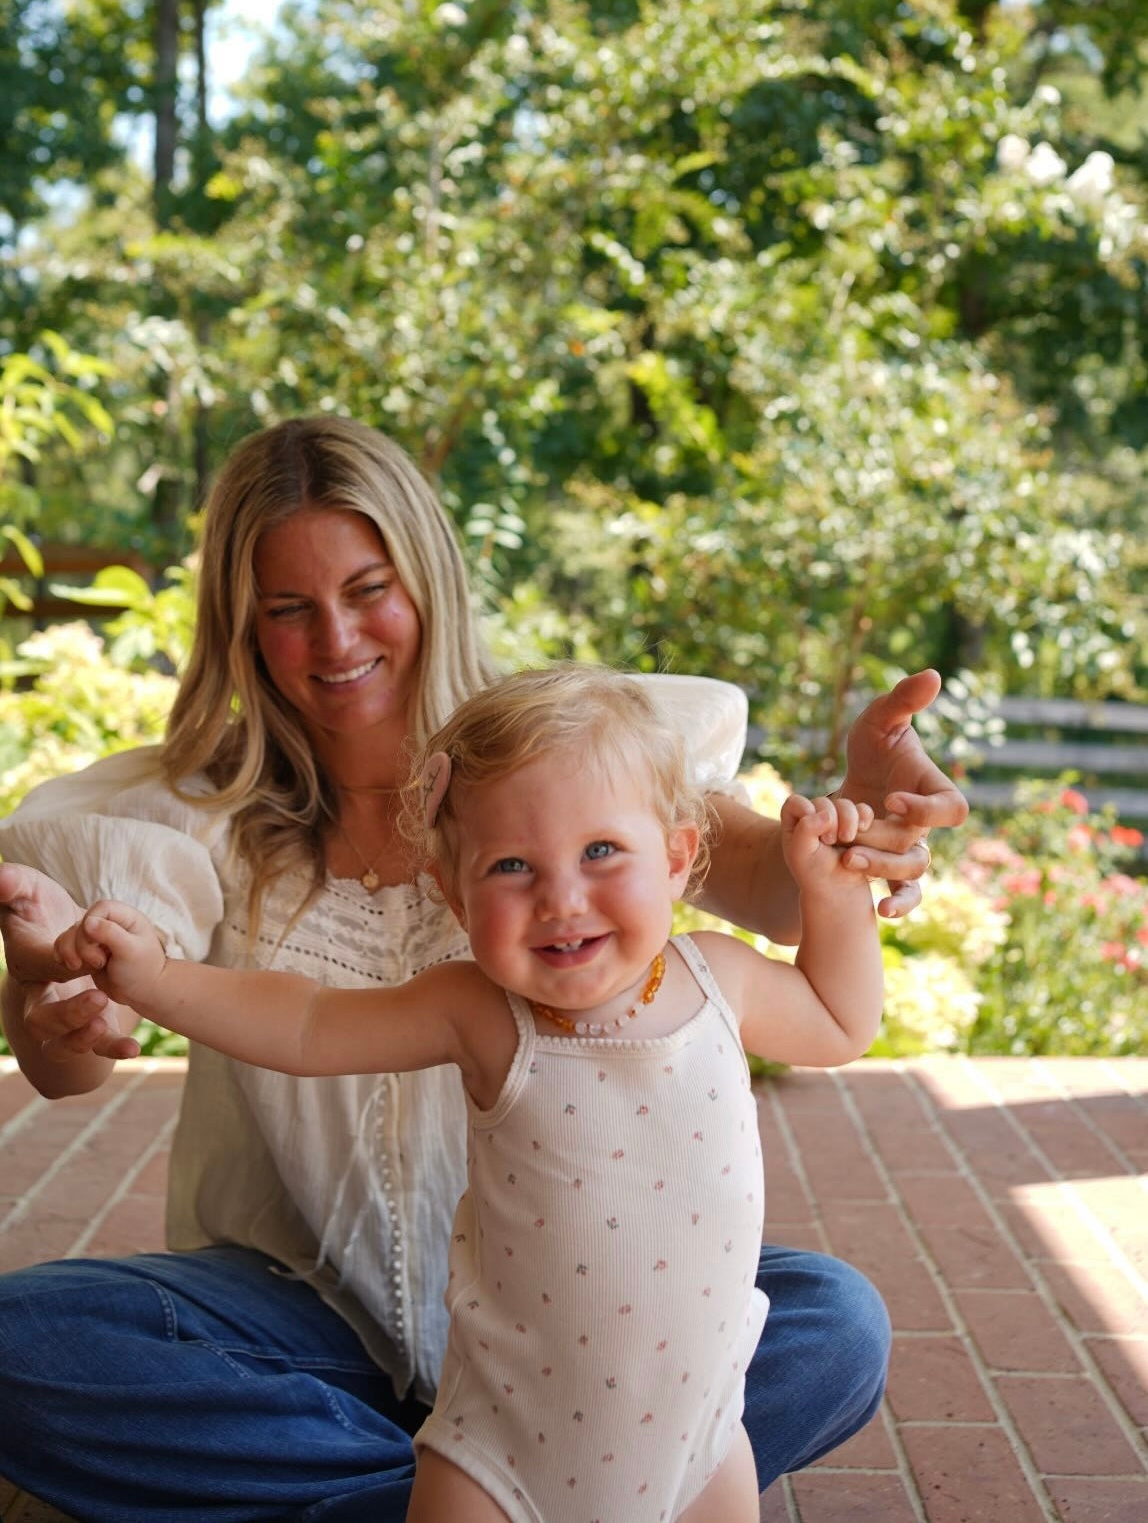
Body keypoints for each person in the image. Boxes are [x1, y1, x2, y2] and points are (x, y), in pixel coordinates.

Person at [0, 415, 965, 1522]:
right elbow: (99, 1046)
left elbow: (770, 885)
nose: (336, 636)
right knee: (24, 1347)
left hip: (569, 1341)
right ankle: (482, 1493)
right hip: (297, 1324)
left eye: (369, 587)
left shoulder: (555, 757)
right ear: (240, 624)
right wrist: (55, 995)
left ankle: (391, 1497)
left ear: (427, 578)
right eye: (286, 608)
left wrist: (852, 823)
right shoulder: (196, 813)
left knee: (831, 1321)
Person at [50, 663, 886, 1523]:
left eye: (602, 851)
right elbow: (305, 1025)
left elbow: (838, 1020)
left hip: (700, 1445)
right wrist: (155, 982)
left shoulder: (723, 983)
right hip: (499, 1458)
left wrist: (836, 894)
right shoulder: (482, 1012)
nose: (562, 899)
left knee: (840, 1320)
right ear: (453, 890)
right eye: (513, 866)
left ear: (675, 858)